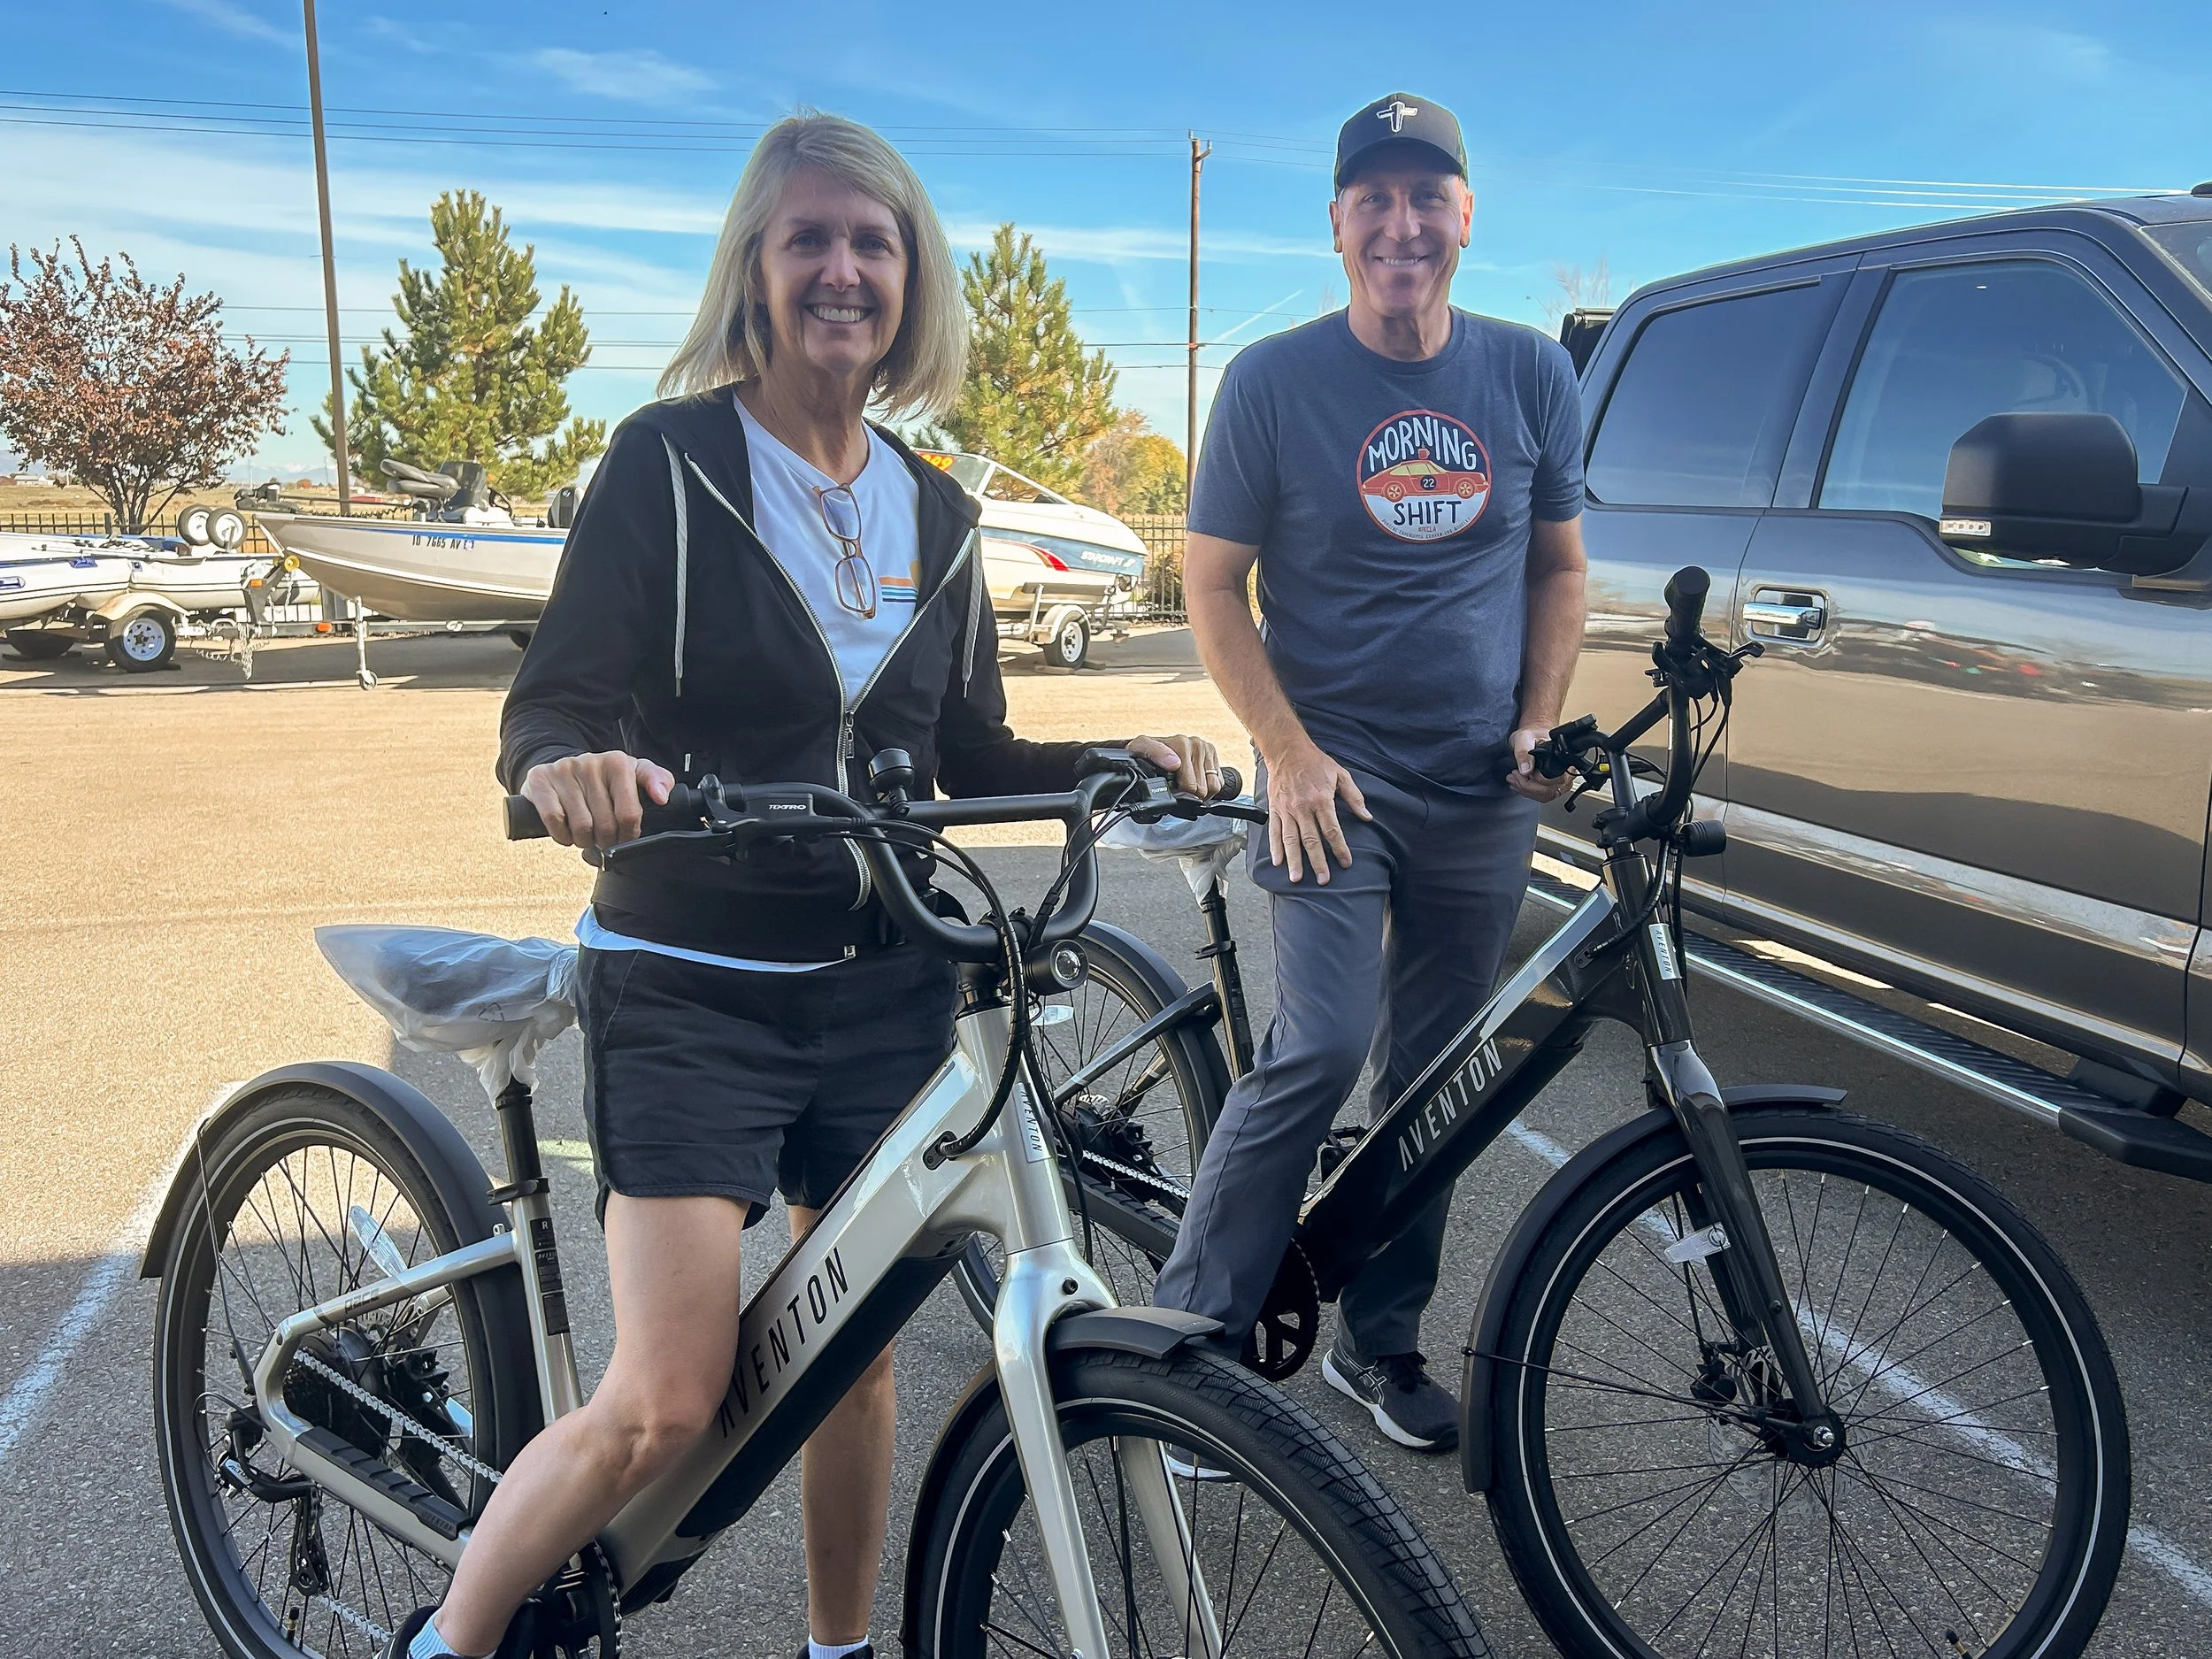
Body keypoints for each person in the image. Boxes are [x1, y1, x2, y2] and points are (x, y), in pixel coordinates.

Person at [386, 111, 1218, 1659]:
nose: (843, 269)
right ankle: (448, 1639)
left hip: (884, 974)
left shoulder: (942, 510)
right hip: (693, 983)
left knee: (852, 1353)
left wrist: (1125, 753)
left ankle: (839, 1651)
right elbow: (552, 703)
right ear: (755, 272)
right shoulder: (668, 464)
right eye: (808, 239)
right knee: (668, 1397)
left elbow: (967, 748)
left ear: (913, 278)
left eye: (873, 241)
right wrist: (567, 767)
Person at [1151, 91, 1586, 1455]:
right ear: (1337, 225)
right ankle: (1180, 1351)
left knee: (1437, 1077)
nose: (1403, 224)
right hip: (1328, 781)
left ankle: (1377, 1337)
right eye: (1375, 200)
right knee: (1324, 1043)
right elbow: (1211, 585)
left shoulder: (1531, 374)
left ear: (1466, 216)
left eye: (1427, 196)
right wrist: (1285, 752)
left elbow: (1558, 568)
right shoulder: (1274, 383)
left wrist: (1539, 718)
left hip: (1480, 791)